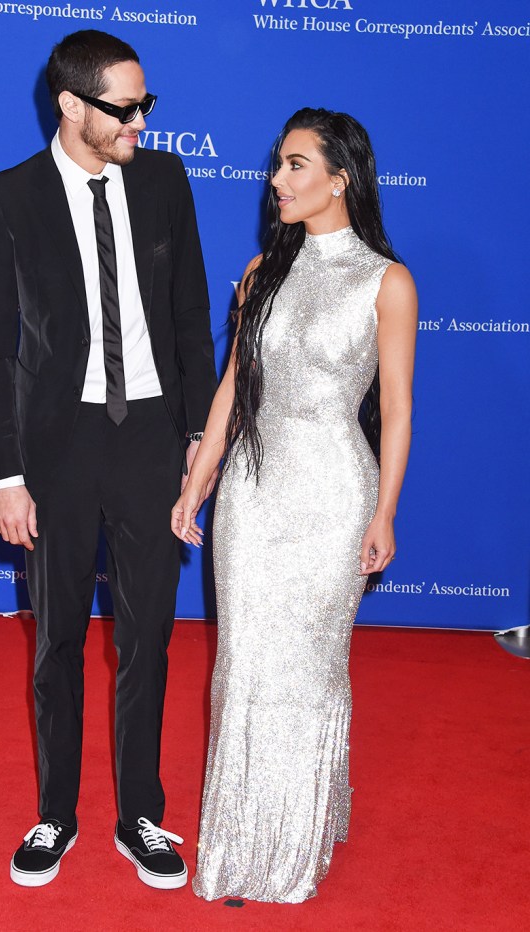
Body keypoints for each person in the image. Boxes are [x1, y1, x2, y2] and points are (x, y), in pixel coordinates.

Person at [0, 30, 216, 890]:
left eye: (147, 103)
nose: (141, 121)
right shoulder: (7, 199)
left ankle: (140, 814)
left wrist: (200, 435)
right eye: (124, 108)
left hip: (151, 437)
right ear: (72, 106)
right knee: (58, 644)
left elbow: (191, 310)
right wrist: (6, 476)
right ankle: (55, 815)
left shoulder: (164, 179)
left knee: (150, 637)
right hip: (57, 449)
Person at [172, 108, 417, 903]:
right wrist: (199, 476)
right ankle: (240, 843)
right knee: (244, 664)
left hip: (333, 492)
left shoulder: (388, 281)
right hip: (252, 487)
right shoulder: (260, 273)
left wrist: (384, 514)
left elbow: (400, 410)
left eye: (297, 165)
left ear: (340, 178)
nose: (277, 179)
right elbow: (232, 389)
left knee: (309, 668)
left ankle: (294, 844)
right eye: (279, 164)